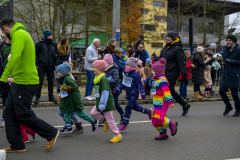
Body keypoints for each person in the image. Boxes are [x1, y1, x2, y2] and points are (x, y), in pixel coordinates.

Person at [0, 17, 59, 152]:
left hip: (25, 82)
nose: (4, 36)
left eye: (3, 33)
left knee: (23, 114)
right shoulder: (19, 34)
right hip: (19, 81)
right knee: (9, 113)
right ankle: (17, 145)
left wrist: (3, 77)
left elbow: (15, 56)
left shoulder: (19, 34)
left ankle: (51, 133)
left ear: (5, 29)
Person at [56, 63, 98, 133]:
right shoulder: (63, 78)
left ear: (63, 72)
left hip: (73, 100)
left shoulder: (67, 78)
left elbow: (73, 86)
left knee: (79, 113)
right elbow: (63, 90)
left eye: (58, 72)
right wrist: (60, 96)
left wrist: (64, 88)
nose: (57, 73)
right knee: (66, 112)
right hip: (68, 100)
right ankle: (68, 127)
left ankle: (93, 121)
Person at [113, 57, 152, 132]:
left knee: (128, 108)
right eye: (125, 65)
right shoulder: (126, 74)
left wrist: (143, 94)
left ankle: (124, 125)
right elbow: (122, 84)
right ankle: (148, 111)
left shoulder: (135, 74)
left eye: (127, 65)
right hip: (128, 94)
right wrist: (116, 90)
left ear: (132, 66)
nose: (125, 66)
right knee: (135, 107)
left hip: (134, 94)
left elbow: (140, 84)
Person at [159, 32, 191, 116]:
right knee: (171, 91)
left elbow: (182, 62)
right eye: (166, 37)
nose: (167, 38)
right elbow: (160, 59)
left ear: (173, 38)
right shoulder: (166, 47)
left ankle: (163, 112)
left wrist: (184, 75)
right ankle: (185, 105)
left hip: (173, 73)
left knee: (166, 91)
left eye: (169, 37)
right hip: (164, 72)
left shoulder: (177, 48)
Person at [90, 60, 122, 143]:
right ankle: (105, 120)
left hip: (105, 103)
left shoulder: (103, 79)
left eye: (94, 67)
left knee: (111, 120)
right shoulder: (97, 77)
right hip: (100, 101)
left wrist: (102, 105)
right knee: (93, 113)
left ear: (100, 69)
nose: (92, 69)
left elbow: (105, 93)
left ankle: (117, 135)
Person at [151, 58, 178, 140]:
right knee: (154, 120)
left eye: (153, 71)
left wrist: (170, 101)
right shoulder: (156, 79)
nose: (151, 72)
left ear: (157, 71)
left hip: (162, 103)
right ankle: (163, 133)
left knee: (159, 119)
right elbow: (154, 90)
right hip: (157, 103)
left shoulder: (162, 80)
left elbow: (166, 91)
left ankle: (171, 124)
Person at [34, 30, 59, 104]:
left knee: (51, 82)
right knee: (40, 81)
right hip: (42, 65)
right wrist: (37, 63)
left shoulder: (54, 44)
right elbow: (36, 54)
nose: (51, 37)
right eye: (50, 36)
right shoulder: (39, 44)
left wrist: (56, 63)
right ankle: (37, 96)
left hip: (51, 65)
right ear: (46, 36)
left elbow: (57, 55)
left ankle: (51, 96)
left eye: (52, 36)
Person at [220, 35, 240, 117]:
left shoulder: (238, 50)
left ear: (234, 41)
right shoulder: (225, 50)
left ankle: (238, 110)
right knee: (221, 91)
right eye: (227, 40)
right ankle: (228, 106)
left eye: (230, 40)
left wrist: (231, 61)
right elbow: (225, 60)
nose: (228, 42)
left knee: (234, 94)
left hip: (234, 75)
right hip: (225, 74)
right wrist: (222, 62)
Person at [103, 54, 124, 124]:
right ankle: (103, 117)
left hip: (114, 89)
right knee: (104, 103)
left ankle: (122, 115)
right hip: (107, 89)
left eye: (105, 63)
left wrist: (105, 80)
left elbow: (115, 80)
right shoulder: (105, 69)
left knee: (115, 104)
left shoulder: (115, 69)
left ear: (109, 63)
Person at [0, 37, 12, 128]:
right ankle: (4, 118)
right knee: (5, 97)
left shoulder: (17, 45)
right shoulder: (2, 46)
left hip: (16, 77)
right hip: (5, 77)